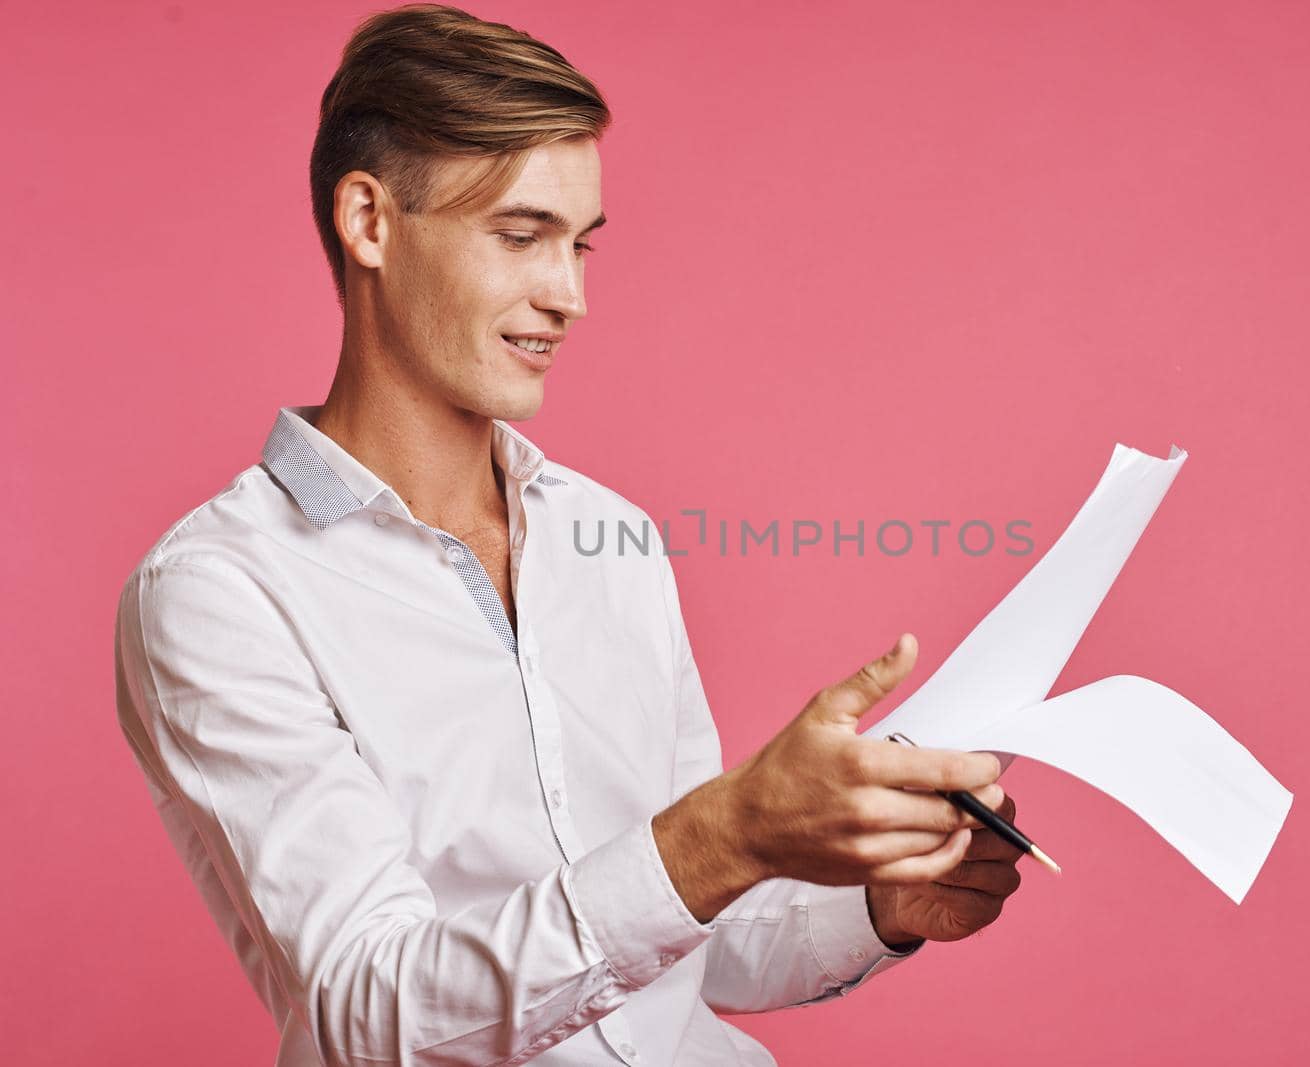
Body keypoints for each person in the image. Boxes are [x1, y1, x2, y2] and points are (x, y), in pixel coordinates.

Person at [113, 4, 1025, 1064]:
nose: (570, 294)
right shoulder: (221, 590)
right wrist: (724, 831)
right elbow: (372, 1011)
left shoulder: (613, 537)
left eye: (580, 243)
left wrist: (880, 903)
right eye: (519, 235)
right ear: (369, 222)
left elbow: (690, 939)